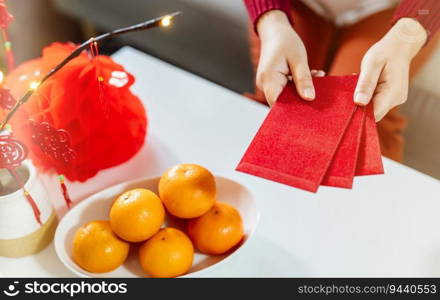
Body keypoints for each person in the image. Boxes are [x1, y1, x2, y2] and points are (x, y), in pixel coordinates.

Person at [243, 0, 439, 161]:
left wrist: (406, 37)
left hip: (395, 8)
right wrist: (271, 22)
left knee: (360, 132)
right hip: (294, 5)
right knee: (277, 111)